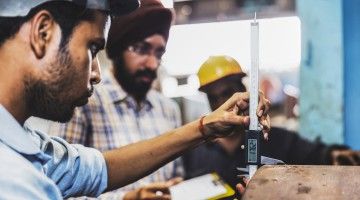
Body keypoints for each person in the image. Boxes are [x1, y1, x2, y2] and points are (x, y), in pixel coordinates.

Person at [0, 1, 270, 199]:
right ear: (43, 33)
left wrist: (205, 127)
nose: (96, 73)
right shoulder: (14, 183)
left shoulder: (31, 149)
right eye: (92, 48)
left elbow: (97, 168)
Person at [49, 1, 183, 199]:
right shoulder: (84, 101)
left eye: (159, 53)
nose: (152, 64)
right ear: (119, 47)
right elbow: (58, 189)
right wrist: (127, 198)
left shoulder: (169, 109)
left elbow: (176, 173)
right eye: (141, 49)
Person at [182, 55, 360, 195]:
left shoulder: (275, 139)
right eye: (213, 97)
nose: (223, 102)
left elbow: (316, 154)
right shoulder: (194, 151)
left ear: (242, 90)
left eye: (227, 92)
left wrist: (334, 154)